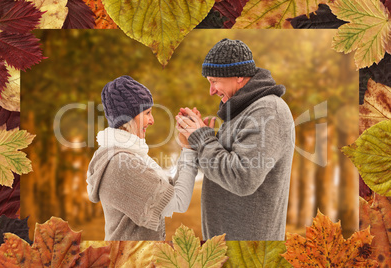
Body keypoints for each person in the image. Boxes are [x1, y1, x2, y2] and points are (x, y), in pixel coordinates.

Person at [176, 38, 295, 240]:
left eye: (214, 81)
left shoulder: (266, 110)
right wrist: (194, 142)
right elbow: (224, 166)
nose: (211, 91)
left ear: (238, 76)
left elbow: (243, 179)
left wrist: (204, 140)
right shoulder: (243, 110)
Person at [87, 75, 198, 241]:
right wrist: (190, 150)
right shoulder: (121, 164)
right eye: (147, 113)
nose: (152, 120)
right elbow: (178, 201)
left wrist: (185, 147)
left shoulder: (131, 154)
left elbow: (170, 189)